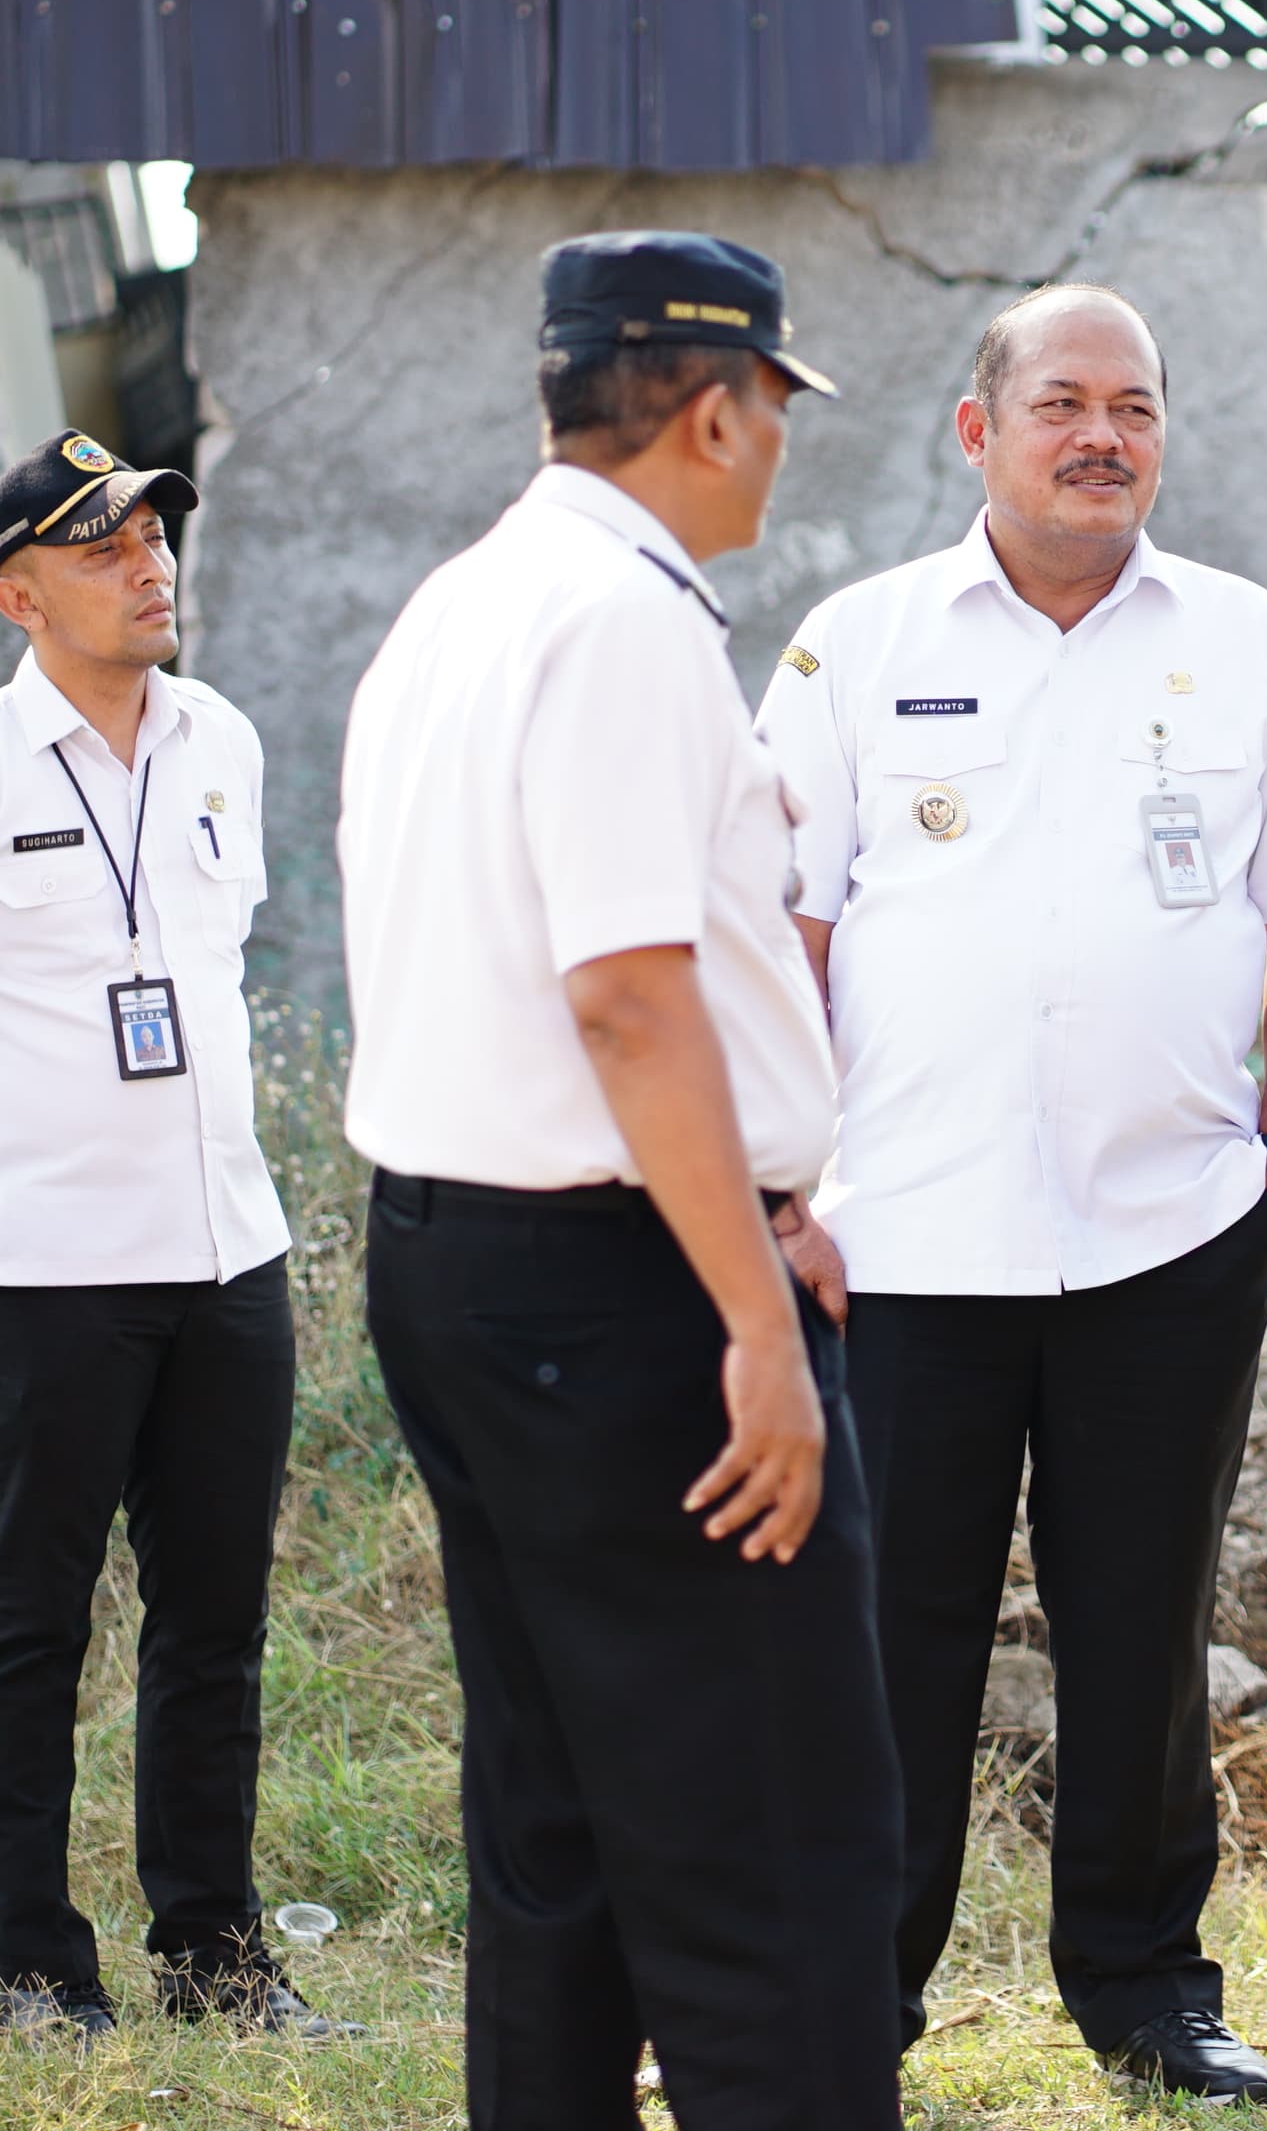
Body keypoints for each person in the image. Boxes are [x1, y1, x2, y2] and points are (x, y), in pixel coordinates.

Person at [756, 284, 1267, 2106]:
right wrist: (790, 1191)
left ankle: (1144, 1987)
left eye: (1134, 402)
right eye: (1062, 401)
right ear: (980, 431)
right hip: (903, 1244)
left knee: (1142, 1627)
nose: (1101, 433)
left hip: (1169, 1235)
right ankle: (848, 1995)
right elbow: (780, 937)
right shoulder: (857, 644)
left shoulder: (1250, 640)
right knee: (892, 1644)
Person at [338, 232, 901, 2129]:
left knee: (559, 1817)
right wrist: (750, 1304)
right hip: (623, 1284)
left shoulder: (465, 601)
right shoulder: (625, 622)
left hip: (459, 1252)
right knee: (771, 1832)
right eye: (773, 417)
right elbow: (628, 994)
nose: (775, 456)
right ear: (719, 407)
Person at [0, 434, 340, 2043]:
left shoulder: (223, 742)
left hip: (225, 1256)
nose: (150, 564)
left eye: (155, 535)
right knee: (31, 1620)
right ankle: (44, 1981)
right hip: (43, 1276)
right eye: (104, 544)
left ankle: (215, 1960)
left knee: (213, 1621)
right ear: (18, 593)